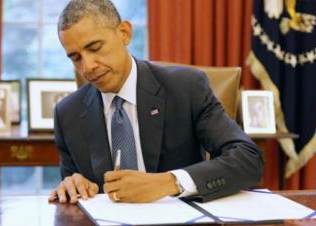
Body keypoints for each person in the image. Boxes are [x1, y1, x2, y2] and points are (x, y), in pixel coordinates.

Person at [49, 0, 264, 204]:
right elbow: (72, 188)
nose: (87, 67)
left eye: (95, 48)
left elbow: (248, 159)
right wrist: (72, 186)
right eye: (76, 58)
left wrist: (169, 183)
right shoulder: (67, 113)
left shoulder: (185, 88)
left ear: (125, 33)